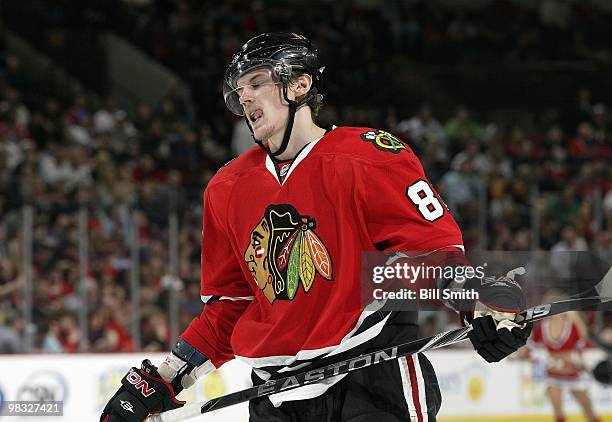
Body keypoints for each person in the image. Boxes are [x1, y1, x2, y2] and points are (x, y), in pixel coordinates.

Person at [101, 32, 532, 422]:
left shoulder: (368, 156)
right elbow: (233, 307)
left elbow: (432, 253)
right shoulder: (226, 188)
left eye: (256, 82)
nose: (244, 97)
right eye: (239, 90)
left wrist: (480, 302)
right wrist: (166, 376)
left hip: (370, 377)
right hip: (275, 396)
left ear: (299, 85)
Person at [529, 310, 600, 422]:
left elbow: (580, 349)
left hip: (574, 374)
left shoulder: (573, 325)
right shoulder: (542, 326)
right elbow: (534, 349)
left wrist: (563, 357)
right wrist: (548, 358)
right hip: (553, 375)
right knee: (558, 411)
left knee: (588, 411)